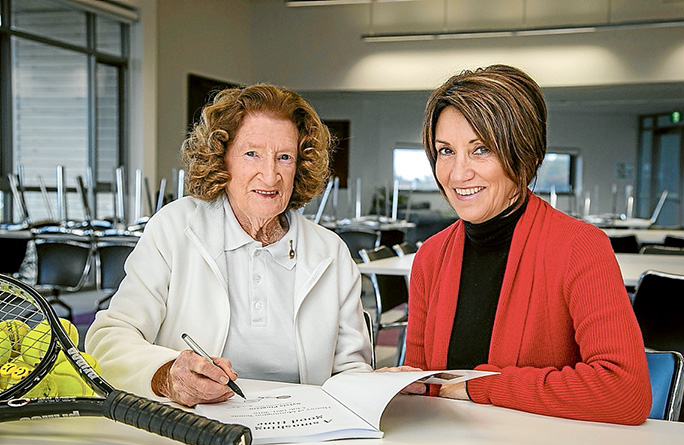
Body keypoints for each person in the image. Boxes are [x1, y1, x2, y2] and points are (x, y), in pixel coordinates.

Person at [86, 84, 372, 407]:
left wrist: (381, 387)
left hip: (305, 442)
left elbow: (353, 371)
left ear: (300, 166)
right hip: (197, 433)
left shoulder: (332, 255)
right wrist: (166, 375)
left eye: (284, 157)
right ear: (223, 160)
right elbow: (105, 339)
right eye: (252, 154)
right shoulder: (174, 229)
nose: (270, 174)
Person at [396, 65, 652, 425]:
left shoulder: (580, 247)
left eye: (481, 149)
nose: (457, 173)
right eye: (445, 151)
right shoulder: (431, 256)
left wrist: (481, 385)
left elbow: (625, 391)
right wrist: (402, 384)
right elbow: (427, 386)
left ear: (526, 155)